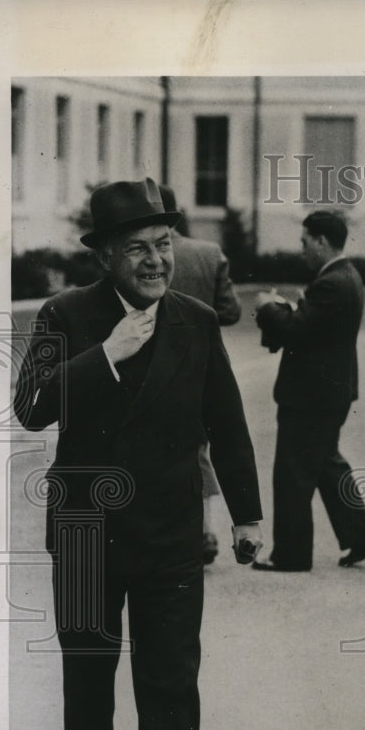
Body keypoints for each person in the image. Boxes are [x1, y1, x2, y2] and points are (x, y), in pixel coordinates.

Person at [14, 178, 263, 730]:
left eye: (163, 246)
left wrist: (247, 514)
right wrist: (108, 355)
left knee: (171, 688)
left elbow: (227, 421)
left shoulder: (193, 318)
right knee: (89, 681)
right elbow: (30, 408)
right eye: (138, 250)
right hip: (89, 534)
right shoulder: (66, 314)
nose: (155, 261)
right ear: (106, 257)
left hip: (170, 535)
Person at [252, 210, 365, 572]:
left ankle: (291, 555)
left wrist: (266, 307)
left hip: (310, 395)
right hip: (329, 391)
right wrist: (290, 309)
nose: (302, 249)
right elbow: (314, 325)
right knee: (324, 462)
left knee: (293, 471)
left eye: (305, 241)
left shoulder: (331, 283)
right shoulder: (345, 276)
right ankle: (362, 535)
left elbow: (297, 330)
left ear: (322, 241)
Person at [159, 185, 243, 566]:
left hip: (152, 363)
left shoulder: (137, 258)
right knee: (200, 447)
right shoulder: (209, 253)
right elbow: (230, 311)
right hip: (202, 364)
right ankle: (205, 529)